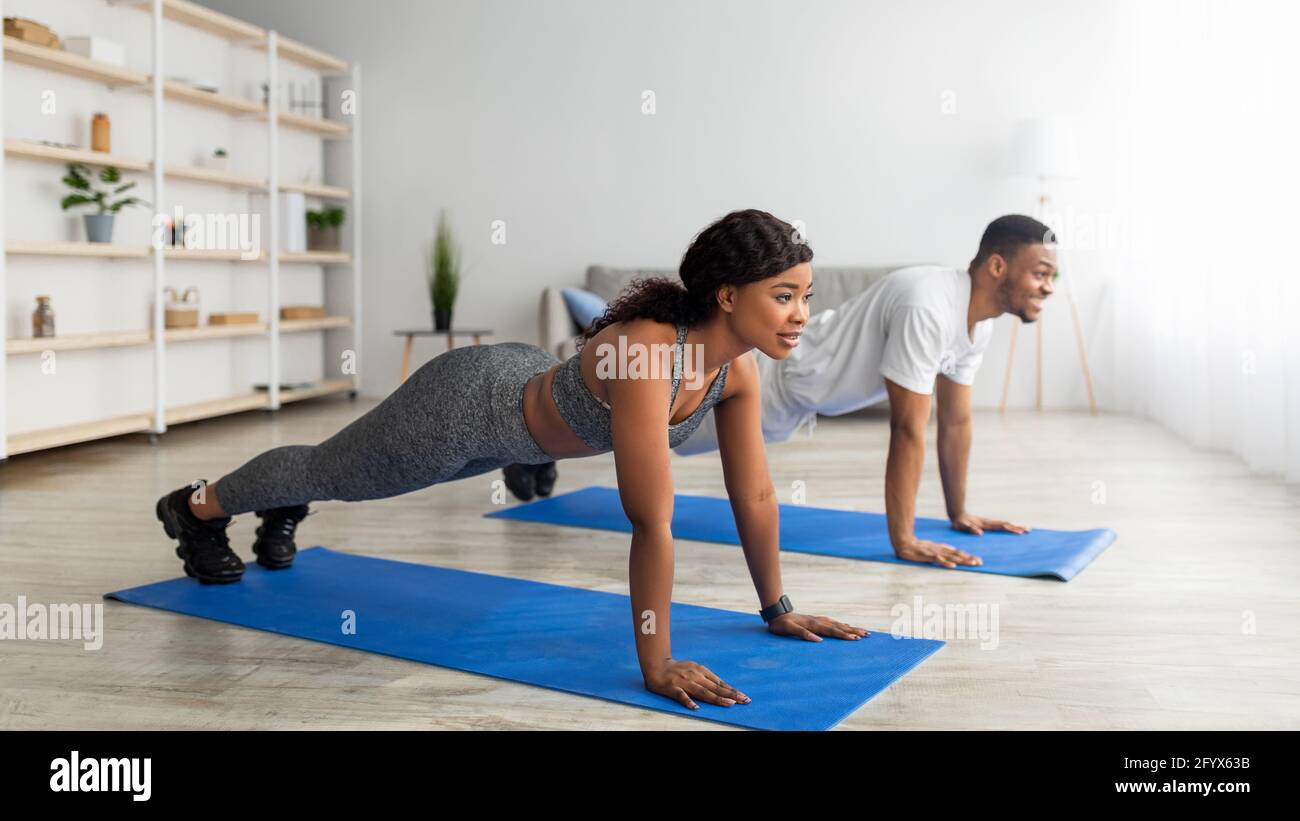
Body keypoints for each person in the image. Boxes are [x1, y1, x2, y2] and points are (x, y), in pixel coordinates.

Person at [154, 209, 867, 711]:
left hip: (529, 410)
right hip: (468, 408)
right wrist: (656, 663)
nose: (801, 313)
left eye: (805, 296)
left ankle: (302, 496)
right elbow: (652, 520)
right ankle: (196, 507)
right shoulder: (651, 349)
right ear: (728, 294)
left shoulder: (735, 371)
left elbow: (758, 498)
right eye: (784, 296)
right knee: (335, 472)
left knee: (346, 472)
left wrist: (778, 608)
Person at [505, 214, 1058, 569]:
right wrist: (904, 540)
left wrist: (960, 513)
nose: (1048, 287)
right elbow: (909, 426)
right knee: (629, 433)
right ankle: (526, 431)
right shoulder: (928, 304)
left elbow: (955, 421)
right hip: (771, 381)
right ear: (997, 265)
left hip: (791, 401)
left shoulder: (973, 322)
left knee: (631, 434)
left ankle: (530, 443)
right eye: (1041, 273)